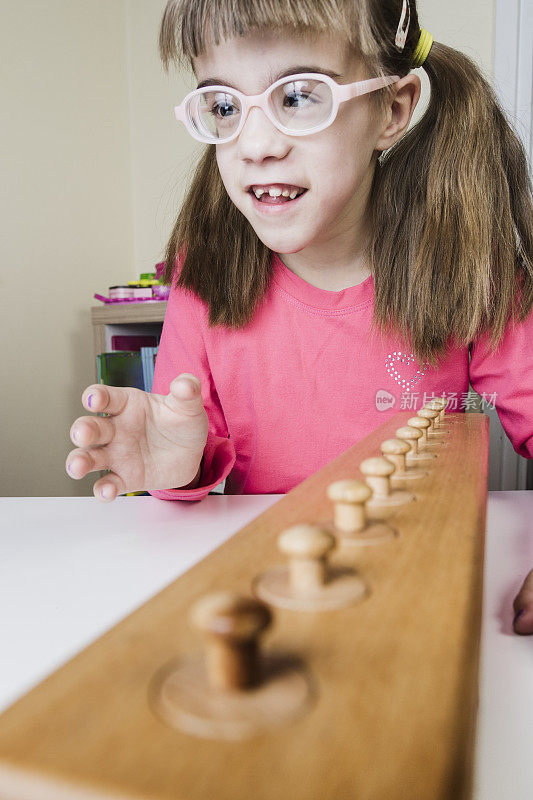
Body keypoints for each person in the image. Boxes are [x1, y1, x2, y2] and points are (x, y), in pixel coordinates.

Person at [66, 0, 533, 631]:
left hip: (413, 602)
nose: (257, 146)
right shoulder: (202, 277)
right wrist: (179, 467)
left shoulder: (465, 268)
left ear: (391, 110)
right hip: (273, 601)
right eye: (225, 106)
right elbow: (193, 456)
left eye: (299, 96)